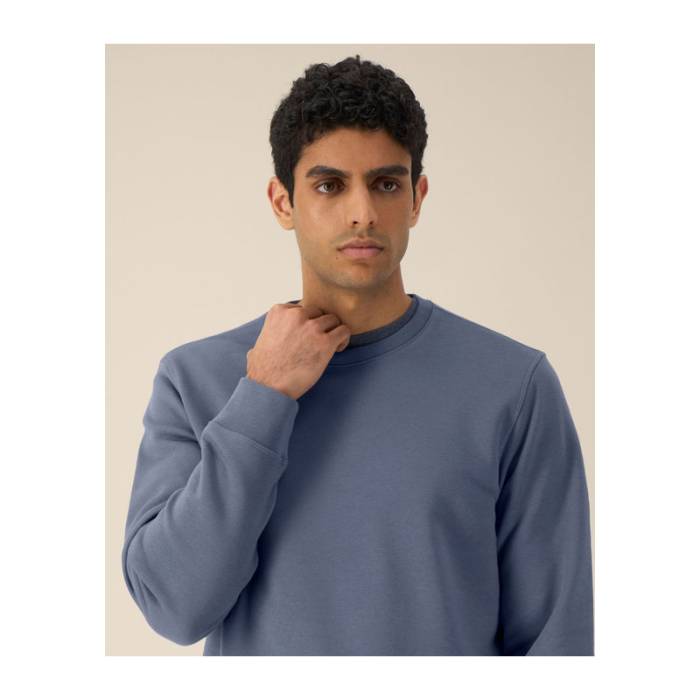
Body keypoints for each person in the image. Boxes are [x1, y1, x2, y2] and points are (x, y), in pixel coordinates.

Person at [121, 55, 594, 655]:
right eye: (329, 185)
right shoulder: (196, 378)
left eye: (386, 184)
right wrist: (262, 397)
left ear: (417, 198)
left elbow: (558, 638)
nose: (363, 213)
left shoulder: (513, 384)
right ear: (282, 202)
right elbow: (174, 608)